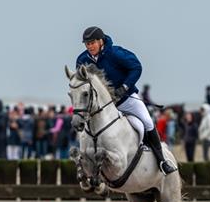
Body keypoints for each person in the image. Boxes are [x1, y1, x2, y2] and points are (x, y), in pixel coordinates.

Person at [75, 26, 176, 175]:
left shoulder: (116, 53)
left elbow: (136, 67)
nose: (89, 47)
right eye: (87, 44)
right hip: (101, 107)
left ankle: (162, 161)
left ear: (101, 41)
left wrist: (125, 86)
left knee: (147, 122)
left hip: (125, 100)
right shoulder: (82, 60)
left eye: (92, 43)